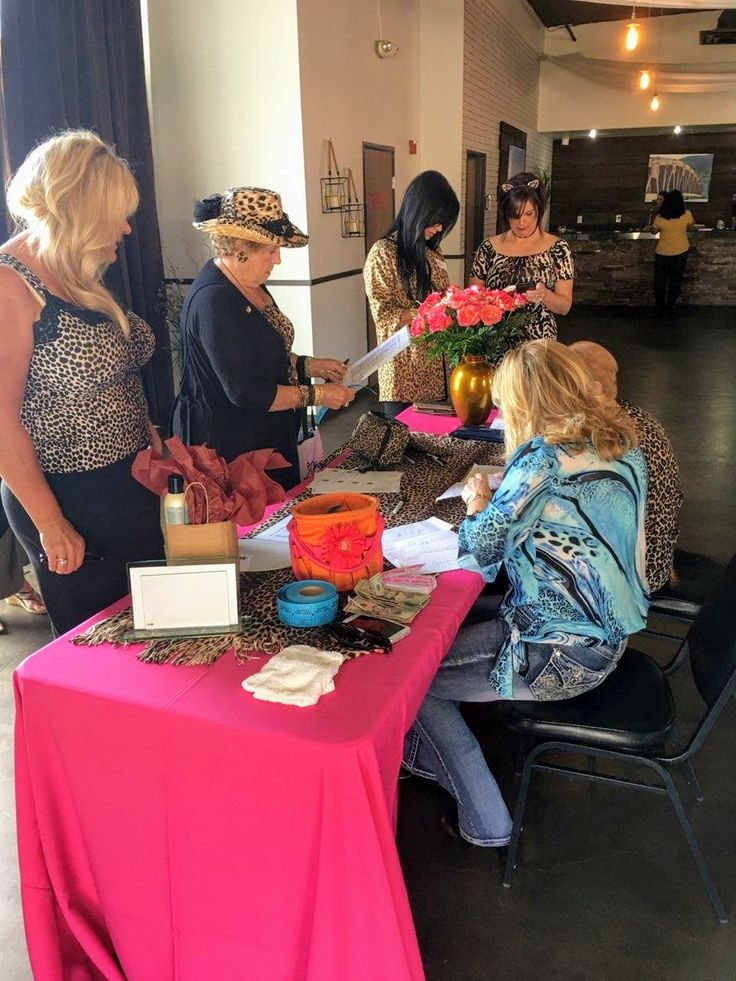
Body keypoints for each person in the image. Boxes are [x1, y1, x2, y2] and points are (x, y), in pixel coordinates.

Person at [402, 340, 649, 847]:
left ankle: (485, 822)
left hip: (559, 652)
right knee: (446, 625)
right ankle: (420, 754)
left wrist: (478, 501)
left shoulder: (543, 460)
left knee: (411, 677)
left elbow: (479, 551)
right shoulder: (618, 440)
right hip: (605, 633)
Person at [0, 130, 164, 636]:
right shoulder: (10, 283)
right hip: (69, 495)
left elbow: (112, 376)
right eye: (116, 212)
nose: (127, 227)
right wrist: (51, 524)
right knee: (101, 649)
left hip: (128, 482)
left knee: (155, 634)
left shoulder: (72, 271)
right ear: (79, 210)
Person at [171, 187, 354, 490]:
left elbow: (263, 351)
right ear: (240, 246)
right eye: (271, 250)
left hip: (263, 433)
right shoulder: (215, 301)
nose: (277, 260)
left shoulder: (247, 282)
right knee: (254, 531)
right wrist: (318, 396)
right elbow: (245, 390)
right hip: (231, 445)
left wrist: (311, 366)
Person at [570, 340, 683, 593]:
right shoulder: (635, 417)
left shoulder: (604, 437)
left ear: (590, 386)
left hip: (633, 576)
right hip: (660, 554)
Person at [363, 170, 459, 418]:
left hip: (437, 366)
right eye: (435, 220)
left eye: (443, 223)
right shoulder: (383, 252)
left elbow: (441, 294)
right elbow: (384, 316)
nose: (438, 228)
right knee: (404, 446)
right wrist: (427, 312)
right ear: (418, 211)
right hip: (404, 372)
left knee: (435, 445)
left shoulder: (433, 252)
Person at [469, 173, 574, 351]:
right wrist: (498, 299)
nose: (522, 222)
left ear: (539, 210)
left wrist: (545, 295)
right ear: (506, 215)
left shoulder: (558, 249)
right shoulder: (488, 248)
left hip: (539, 345)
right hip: (496, 341)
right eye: (515, 215)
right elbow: (472, 298)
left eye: (528, 214)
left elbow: (564, 306)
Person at [652, 189, 694, 313]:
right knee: (676, 278)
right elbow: (691, 226)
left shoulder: (660, 217)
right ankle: (671, 304)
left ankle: (660, 305)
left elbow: (654, 231)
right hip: (681, 250)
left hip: (662, 251)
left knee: (660, 279)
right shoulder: (686, 214)